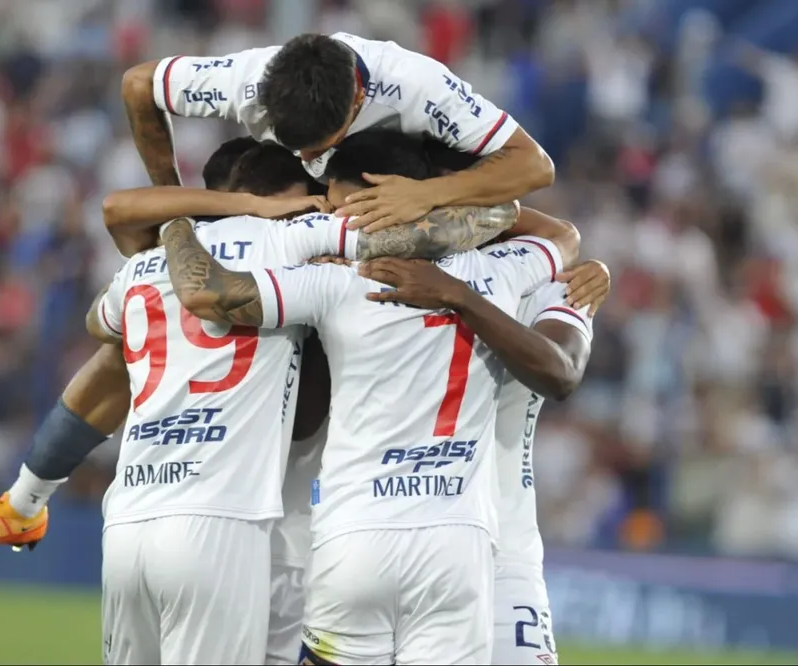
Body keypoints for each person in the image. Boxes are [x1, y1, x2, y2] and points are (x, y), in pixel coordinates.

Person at [150, 133, 582, 665]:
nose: (331, 216)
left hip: (353, 538)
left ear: (379, 195)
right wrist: (437, 208)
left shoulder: (334, 279)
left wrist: (176, 222)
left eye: (340, 204)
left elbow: (206, 291)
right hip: (456, 545)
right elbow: (561, 237)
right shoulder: (504, 272)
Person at [354, 258, 600, 665]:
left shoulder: (550, 281)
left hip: (503, 555)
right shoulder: (378, 268)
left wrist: (459, 295)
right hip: (384, 545)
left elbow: (563, 373)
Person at [120, 32, 555, 230]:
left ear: (358, 98)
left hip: (408, 195)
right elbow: (138, 84)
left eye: (321, 148)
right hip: (296, 203)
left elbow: (534, 166)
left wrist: (426, 195)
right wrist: (172, 203)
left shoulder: (418, 87)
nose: (313, 162)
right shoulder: (245, 80)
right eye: (301, 149)